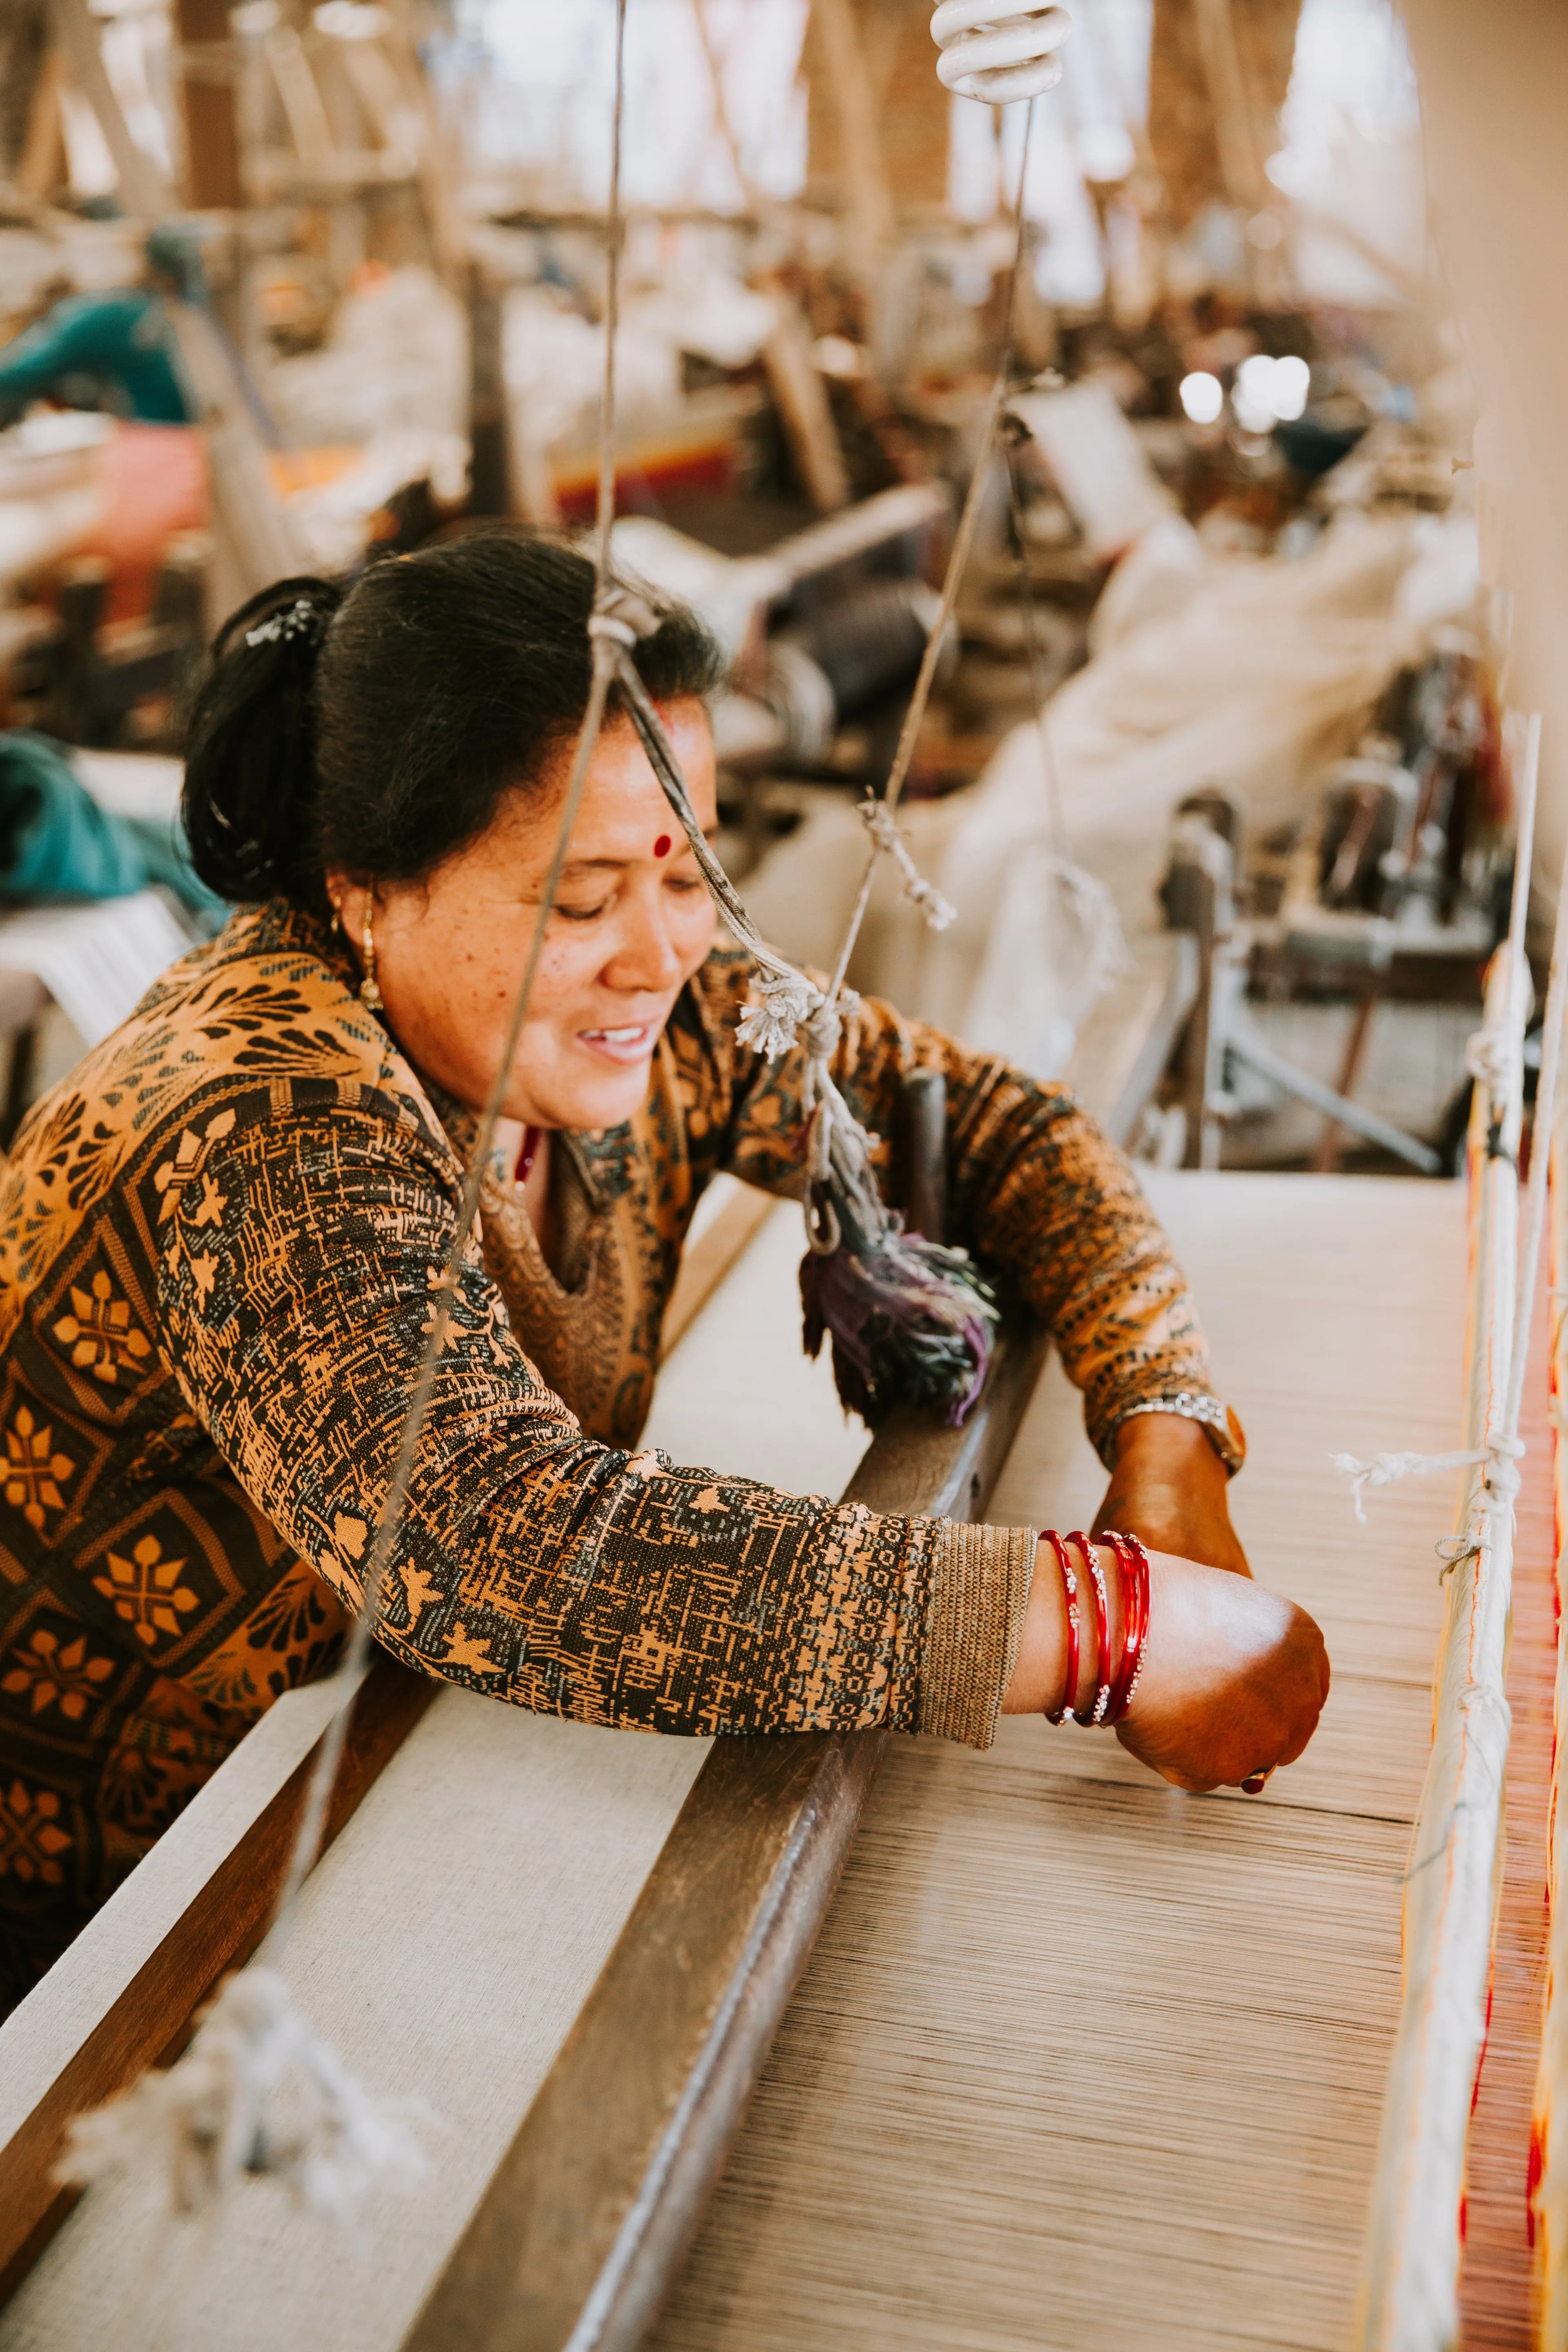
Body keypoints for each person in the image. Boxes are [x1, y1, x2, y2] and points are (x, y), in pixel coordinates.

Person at [0, 530, 1328, 2013]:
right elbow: (497, 1542)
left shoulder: (667, 1006)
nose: (659, 954)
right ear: (365, 887)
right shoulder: (256, 1123)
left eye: (693, 876)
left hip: (350, 1781)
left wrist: (1161, 1433)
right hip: (99, 1930)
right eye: (576, 904)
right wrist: (1107, 1627)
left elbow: (1006, 1124)